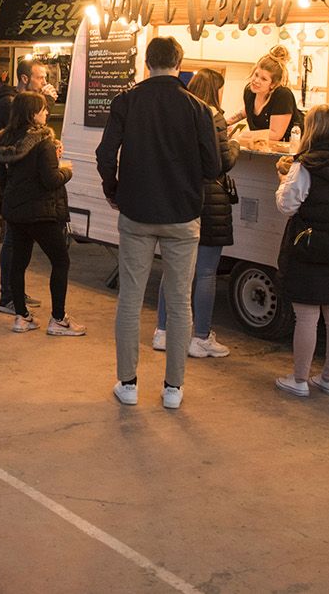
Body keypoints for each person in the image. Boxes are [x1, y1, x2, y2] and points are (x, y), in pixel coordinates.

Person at [96, 34, 220, 411]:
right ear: (179, 64)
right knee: (180, 301)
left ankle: (128, 384)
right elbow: (213, 166)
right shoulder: (199, 108)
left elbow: (105, 154)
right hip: (183, 215)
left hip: (136, 212)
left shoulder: (126, 101)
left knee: (131, 299)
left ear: (146, 63)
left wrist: (113, 188)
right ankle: (173, 389)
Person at [273, 103, 329, 398]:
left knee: (307, 316)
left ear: (311, 129)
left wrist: (281, 182)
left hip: (309, 248)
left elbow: (287, 205)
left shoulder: (304, 164)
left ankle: (299, 380)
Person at [151, 68, 238, 359]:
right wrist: (235, 145)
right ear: (216, 91)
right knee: (205, 272)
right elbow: (222, 162)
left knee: (174, 268)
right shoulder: (214, 116)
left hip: (177, 198)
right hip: (210, 200)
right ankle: (200, 337)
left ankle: (162, 332)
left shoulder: (179, 111)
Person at [0, 91, 84, 337]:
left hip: (15, 211)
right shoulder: (43, 142)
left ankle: (21, 317)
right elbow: (51, 179)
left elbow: (3, 179)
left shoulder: (5, 141)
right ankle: (59, 319)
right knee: (61, 261)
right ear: (33, 114)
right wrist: (66, 170)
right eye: (43, 109)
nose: (46, 113)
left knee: (18, 263)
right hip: (42, 212)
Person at [0, 59, 48, 314]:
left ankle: (16, 292)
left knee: (19, 240)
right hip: (15, 181)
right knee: (12, 241)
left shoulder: (17, 102)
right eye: (40, 77)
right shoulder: (10, 104)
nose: (44, 82)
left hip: (21, 183)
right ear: (25, 79)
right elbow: (18, 137)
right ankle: (8, 296)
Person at [229, 55, 297, 144]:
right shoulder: (250, 91)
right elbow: (247, 109)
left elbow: (275, 134)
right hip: (261, 146)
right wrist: (225, 123)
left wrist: (242, 134)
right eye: (256, 75)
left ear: (273, 84)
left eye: (263, 79)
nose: (256, 81)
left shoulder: (282, 95)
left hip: (288, 149)